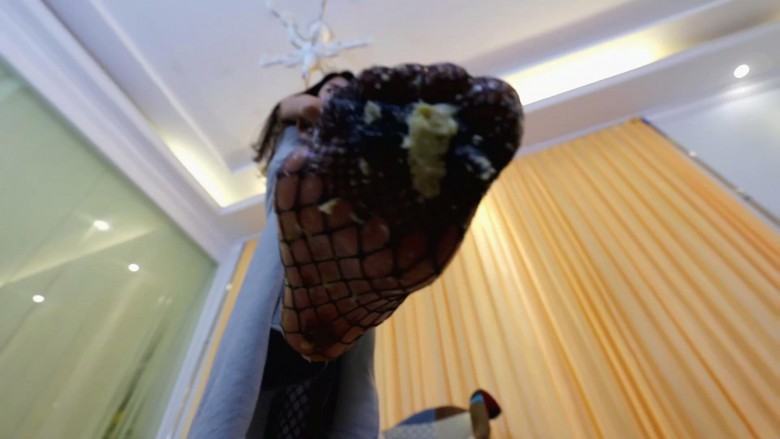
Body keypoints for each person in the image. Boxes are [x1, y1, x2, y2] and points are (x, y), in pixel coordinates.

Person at [189, 72, 379, 439]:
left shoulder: (359, 159)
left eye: (349, 92)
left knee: (325, 401)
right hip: (283, 274)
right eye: (332, 88)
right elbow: (298, 106)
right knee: (253, 392)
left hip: (340, 283)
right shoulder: (296, 128)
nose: (340, 95)